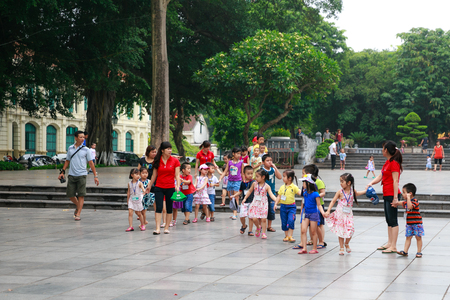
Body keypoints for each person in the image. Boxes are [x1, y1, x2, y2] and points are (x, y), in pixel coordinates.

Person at [367, 140, 402, 253]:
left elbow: (395, 181)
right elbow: (380, 176)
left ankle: (394, 246)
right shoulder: (387, 162)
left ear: (386, 150)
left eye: (383, 148)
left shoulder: (394, 163)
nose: (382, 150)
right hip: (387, 193)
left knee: (393, 220)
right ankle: (389, 243)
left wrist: (396, 198)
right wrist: (371, 183)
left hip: (393, 194)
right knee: (388, 220)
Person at [58, 130, 99, 221]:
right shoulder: (70, 148)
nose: (82, 139)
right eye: (80, 137)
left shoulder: (86, 149)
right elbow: (67, 160)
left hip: (82, 175)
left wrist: (95, 176)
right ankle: (78, 205)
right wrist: (62, 172)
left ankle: (78, 214)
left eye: (83, 137)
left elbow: (91, 163)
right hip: (72, 174)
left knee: (81, 195)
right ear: (76, 138)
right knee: (70, 194)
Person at [325, 173, 367, 255]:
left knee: (350, 229)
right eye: (340, 181)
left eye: (342, 181)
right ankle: (341, 247)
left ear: (349, 183)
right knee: (340, 230)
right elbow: (333, 201)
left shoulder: (352, 191)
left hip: (348, 214)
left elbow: (357, 193)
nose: (340, 183)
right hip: (340, 213)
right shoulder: (339, 192)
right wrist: (328, 210)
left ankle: (346, 243)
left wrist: (366, 190)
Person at [148, 142, 181, 235]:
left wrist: (177, 185)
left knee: (169, 208)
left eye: (170, 149)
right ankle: (157, 228)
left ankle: (166, 227)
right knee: (159, 207)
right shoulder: (157, 161)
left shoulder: (175, 161)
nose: (170, 150)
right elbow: (154, 175)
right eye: (168, 149)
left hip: (170, 187)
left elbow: (177, 175)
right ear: (162, 150)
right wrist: (149, 185)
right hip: (159, 186)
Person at [294, 164, 326, 250]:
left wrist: (315, 196)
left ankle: (321, 241)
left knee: (318, 226)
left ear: (308, 174)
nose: (301, 175)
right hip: (307, 208)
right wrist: (301, 209)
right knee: (306, 227)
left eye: (303, 173)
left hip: (317, 206)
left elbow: (323, 193)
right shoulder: (305, 185)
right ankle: (306, 242)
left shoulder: (318, 182)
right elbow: (303, 199)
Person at [243, 169, 278, 239]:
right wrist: (245, 198)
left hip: (264, 203)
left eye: (257, 176)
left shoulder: (267, 186)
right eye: (255, 176)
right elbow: (250, 191)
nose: (256, 178)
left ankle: (264, 233)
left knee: (263, 219)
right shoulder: (254, 184)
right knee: (254, 218)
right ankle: (258, 227)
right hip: (255, 203)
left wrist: (277, 200)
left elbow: (271, 195)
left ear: (263, 177)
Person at [394, 183, 424, 258]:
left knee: (418, 237)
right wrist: (395, 203)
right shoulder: (406, 201)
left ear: (410, 194)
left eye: (404, 192)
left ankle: (419, 251)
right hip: (409, 223)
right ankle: (405, 251)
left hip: (417, 223)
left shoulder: (415, 201)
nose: (402, 194)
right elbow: (401, 203)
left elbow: (410, 207)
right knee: (408, 237)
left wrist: (408, 199)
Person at [274, 170, 301, 243]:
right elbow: (279, 196)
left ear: (290, 178)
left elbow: (299, 192)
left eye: (284, 176)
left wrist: (305, 191)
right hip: (283, 207)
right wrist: (276, 204)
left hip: (291, 207)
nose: (283, 178)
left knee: (291, 220)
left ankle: (290, 236)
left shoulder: (294, 187)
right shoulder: (282, 187)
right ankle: (286, 236)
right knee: (284, 221)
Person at [219, 147, 244, 220]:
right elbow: (225, 171)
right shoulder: (229, 162)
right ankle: (234, 211)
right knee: (230, 197)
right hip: (230, 181)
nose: (239, 155)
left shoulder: (241, 163)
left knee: (235, 197)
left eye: (240, 154)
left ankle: (235, 213)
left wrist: (244, 181)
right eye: (237, 153)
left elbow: (242, 173)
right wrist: (220, 178)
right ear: (233, 154)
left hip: (237, 181)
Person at [231, 166, 255, 235]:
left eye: (251, 173)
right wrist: (234, 195)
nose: (250, 175)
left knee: (251, 217)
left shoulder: (254, 182)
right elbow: (240, 191)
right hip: (244, 202)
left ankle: (250, 230)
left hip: (252, 202)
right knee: (242, 216)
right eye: (248, 173)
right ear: (244, 174)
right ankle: (244, 225)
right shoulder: (242, 183)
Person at [261, 154, 282, 232]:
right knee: (262, 210)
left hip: (272, 193)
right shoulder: (262, 171)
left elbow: (279, 177)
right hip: (263, 194)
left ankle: (269, 226)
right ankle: (261, 226)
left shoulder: (273, 170)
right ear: (263, 162)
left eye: (271, 160)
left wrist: (275, 167)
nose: (269, 162)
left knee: (271, 210)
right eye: (267, 160)